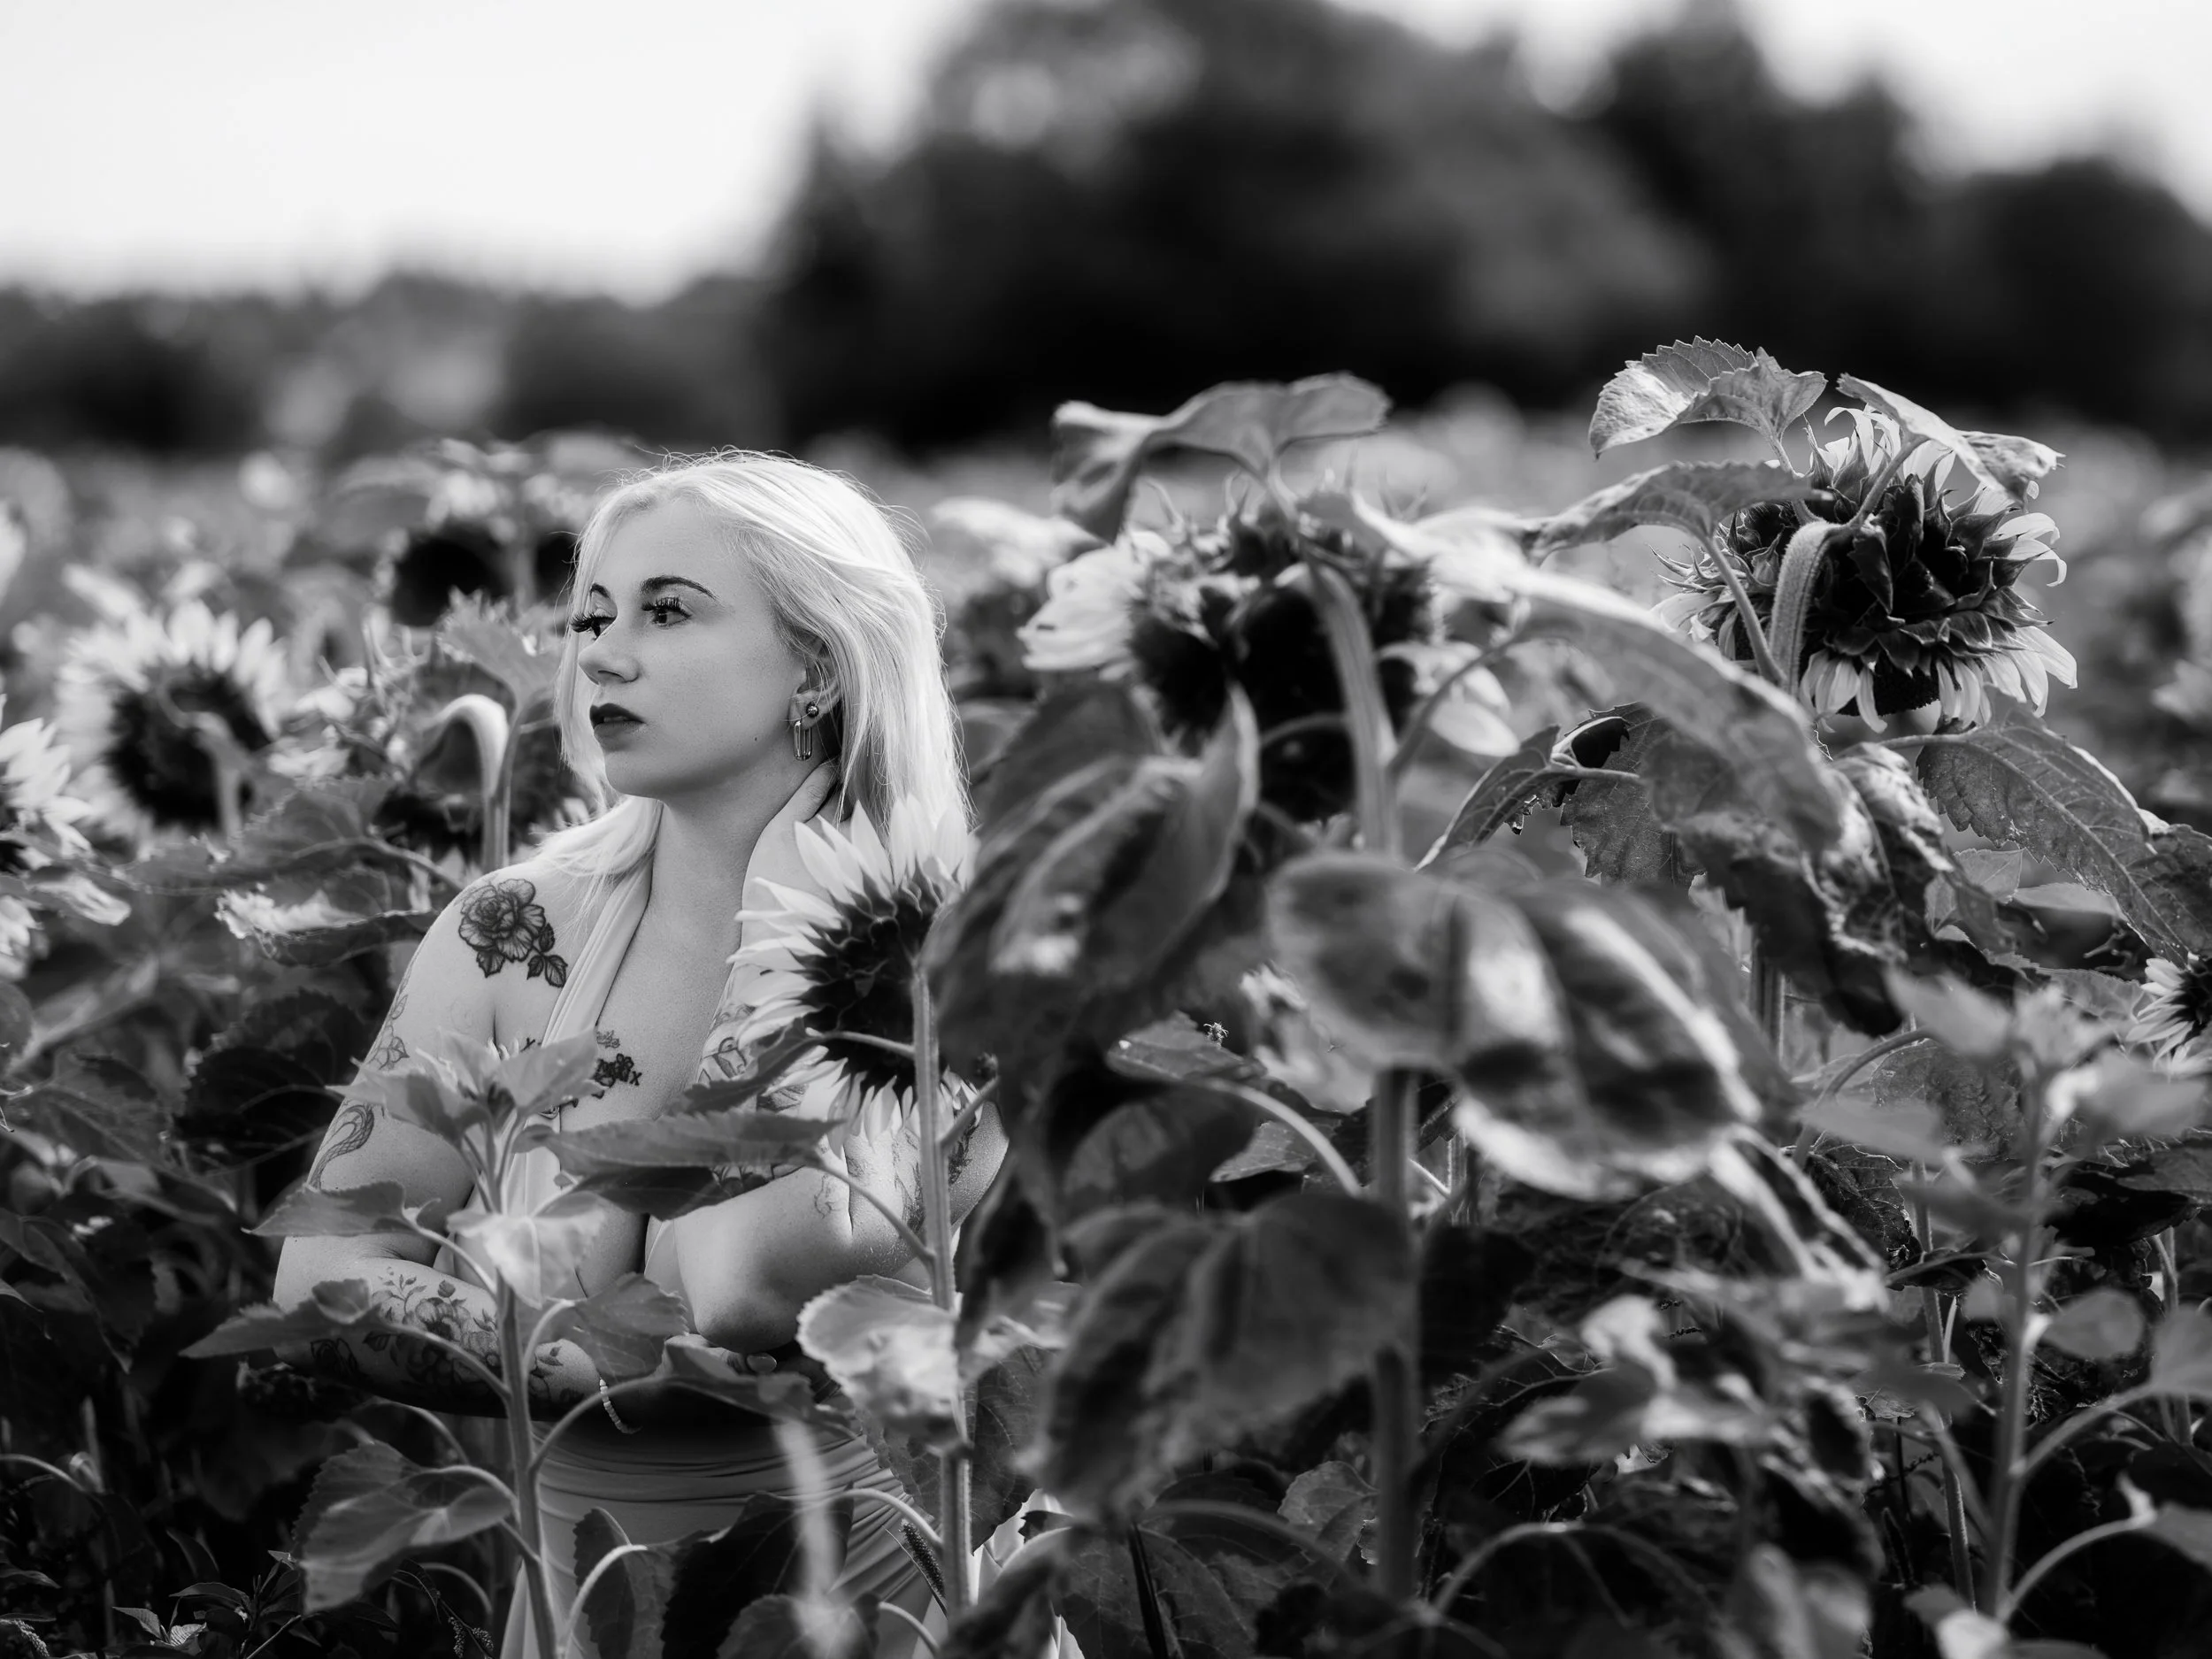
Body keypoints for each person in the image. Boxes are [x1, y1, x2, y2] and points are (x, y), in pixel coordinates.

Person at [274, 454, 1005, 1659]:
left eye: (667, 611)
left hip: (866, 1604)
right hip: (578, 1606)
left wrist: (792, 915)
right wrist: (578, 1363)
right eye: (595, 616)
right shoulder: (513, 929)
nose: (603, 653)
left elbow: (742, 1281)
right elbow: (319, 1270)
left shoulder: (947, 952)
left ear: (818, 660)